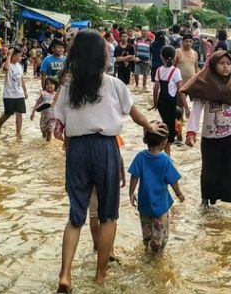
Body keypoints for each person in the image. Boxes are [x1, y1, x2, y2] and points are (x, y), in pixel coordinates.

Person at [53, 30, 165, 291]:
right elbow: (136, 115)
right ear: (100, 55)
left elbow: (62, 128)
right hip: (105, 148)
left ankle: (65, 275)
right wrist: (151, 126)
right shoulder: (114, 85)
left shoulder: (68, 89)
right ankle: (100, 276)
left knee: (75, 217)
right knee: (108, 216)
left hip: (77, 149)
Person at [181, 50, 231, 215]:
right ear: (213, 65)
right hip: (210, 136)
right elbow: (196, 110)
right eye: (222, 63)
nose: (226, 67)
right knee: (209, 170)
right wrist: (191, 132)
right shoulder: (204, 85)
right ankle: (205, 201)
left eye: (228, 64)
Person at [129, 121, 185, 255]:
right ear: (164, 142)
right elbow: (173, 181)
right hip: (160, 206)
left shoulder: (140, 157)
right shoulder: (165, 160)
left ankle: (147, 250)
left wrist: (131, 193)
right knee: (161, 234)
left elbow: (134, 177)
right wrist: (179, 194)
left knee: (147, 232)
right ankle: (155, 256)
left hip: (144, 204)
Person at [152, 46, 191, 155]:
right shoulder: (175, 71)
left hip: (161, 103)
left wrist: (155, 104)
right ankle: (167, 153)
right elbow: (180, 91)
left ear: (161, 57)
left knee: (167, 124)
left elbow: (155, 89)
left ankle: (168, 145)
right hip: (170, 103)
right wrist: (187, 108)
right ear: (174, 57)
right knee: (169, 129)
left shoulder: (159, 70)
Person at [0, 48, 28, 137]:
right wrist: (8, 55)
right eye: (19, 56)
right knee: (8, 113)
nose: (21, 57)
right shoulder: (7, 64)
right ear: (13, 57)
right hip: (9, 94)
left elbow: (22, 79)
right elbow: (6, 68)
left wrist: (25, 91)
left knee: (19, 114)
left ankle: (18, 133)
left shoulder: (19, 66)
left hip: (19, 94)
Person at [31, 77, 58, 142]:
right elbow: (37, 103)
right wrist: (33, 113)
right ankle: (44, 140)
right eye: (47, 84)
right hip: (44, 117)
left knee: (49, 130)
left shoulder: (57, 95)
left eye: (51, 84)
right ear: (45, 86)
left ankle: (47, 143)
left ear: (55, 85)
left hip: (53, 117)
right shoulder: (43, 94)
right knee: (43, 131)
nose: (49, 85)